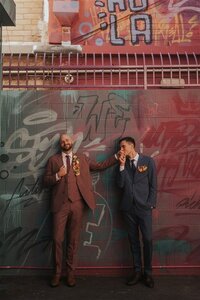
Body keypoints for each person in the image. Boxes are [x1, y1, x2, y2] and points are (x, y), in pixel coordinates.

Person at [43, 133, 118, 288]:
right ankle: (57, 274)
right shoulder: (53, 160)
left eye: (67, 140)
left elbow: (100, 166)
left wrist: (116, 157)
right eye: (63, 141)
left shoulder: (82, 158)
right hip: (60, 206)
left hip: (77, 204)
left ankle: (70, 274)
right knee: (57, 239)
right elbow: (45, 181)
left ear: (72, 142)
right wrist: (58, 175)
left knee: (73, 241)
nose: (65, 142)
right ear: (60, 144)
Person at [116, 136, 157, 288]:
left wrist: (150, 204)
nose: (121, 150)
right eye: (120, 148)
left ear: (132, 146)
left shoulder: (148, 161)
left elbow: (153, 186)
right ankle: (137, 271)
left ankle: (148, 273)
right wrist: (121, 166)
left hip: (144, 209)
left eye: (123, 147)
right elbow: (120, 185)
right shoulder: (122, 164)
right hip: (128, 209)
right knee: (133, 241)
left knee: (147, 239)